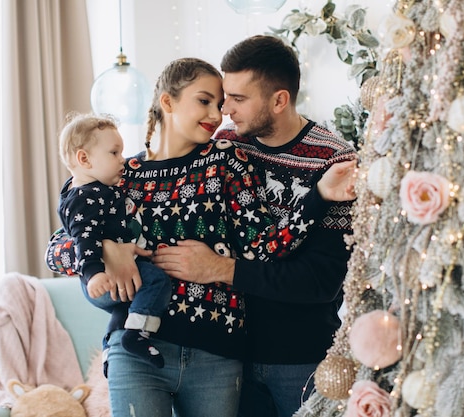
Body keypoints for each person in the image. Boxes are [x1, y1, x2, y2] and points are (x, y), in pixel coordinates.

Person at [45, 57, 354, 417]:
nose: (218, 114)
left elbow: (265, 247)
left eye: (220, 104)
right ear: (167, 101)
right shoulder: (118, 176)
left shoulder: (226, 160)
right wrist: (109, 251)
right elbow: (57, 248)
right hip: (137, 351)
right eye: (204, 101)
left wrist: (318, 196)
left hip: (217, 352)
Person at [152, 35, 358, 417]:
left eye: (238, 99)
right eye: (222, 96)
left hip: (300, 358)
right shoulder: (224, 146)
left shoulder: (334, 161)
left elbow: (321, 282)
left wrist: (221, 269)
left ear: (279, 100)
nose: (224, 110)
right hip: (225, 355)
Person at [55, 112, 171, 368]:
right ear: (84, 159)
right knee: (156, 281)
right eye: (114, 153)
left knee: (124, 307)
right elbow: (84, 239)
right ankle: (137, 334)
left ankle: (109, 349)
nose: (122, 160)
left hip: (110, 272)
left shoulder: (89, 190)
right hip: (100, 274)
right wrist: (94, 272)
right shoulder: (85, 198)